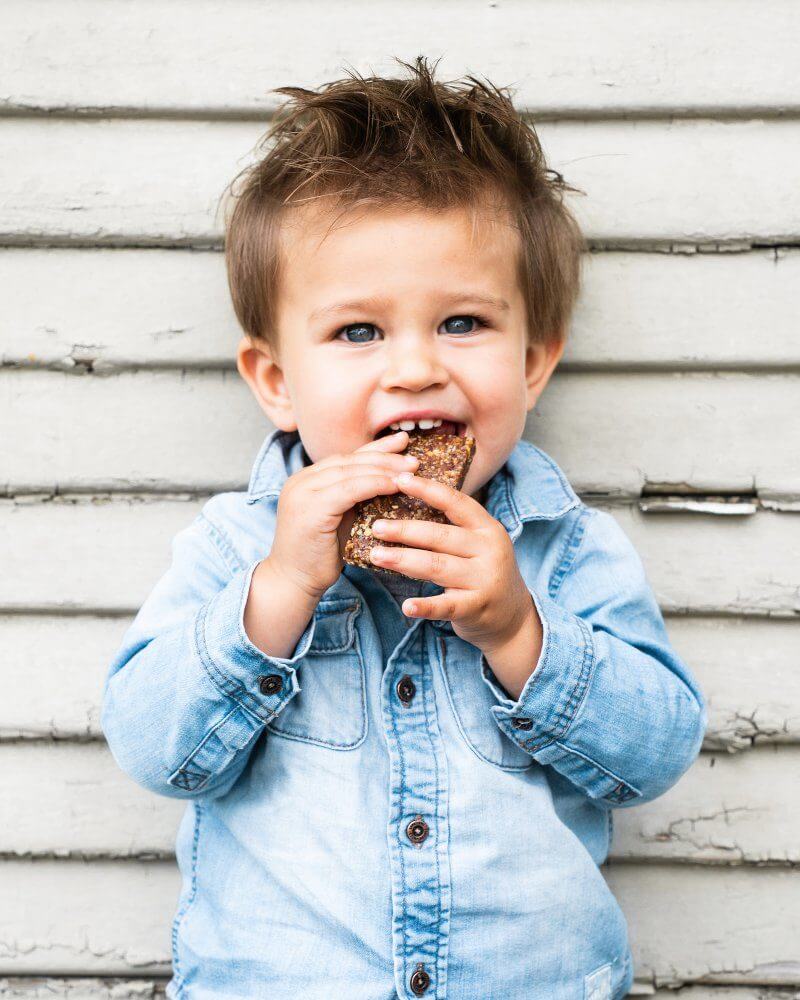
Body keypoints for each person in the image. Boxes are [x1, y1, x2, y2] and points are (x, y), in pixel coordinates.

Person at [102, 55, 707, 1000]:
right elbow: (157, 753)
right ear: (275, 383)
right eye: (358, 333)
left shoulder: (568, 549)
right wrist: (279, 594)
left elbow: (655, 756)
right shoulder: (234, 546)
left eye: (463, 322)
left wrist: (519, 632)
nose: (416, 369)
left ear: (535, 362)